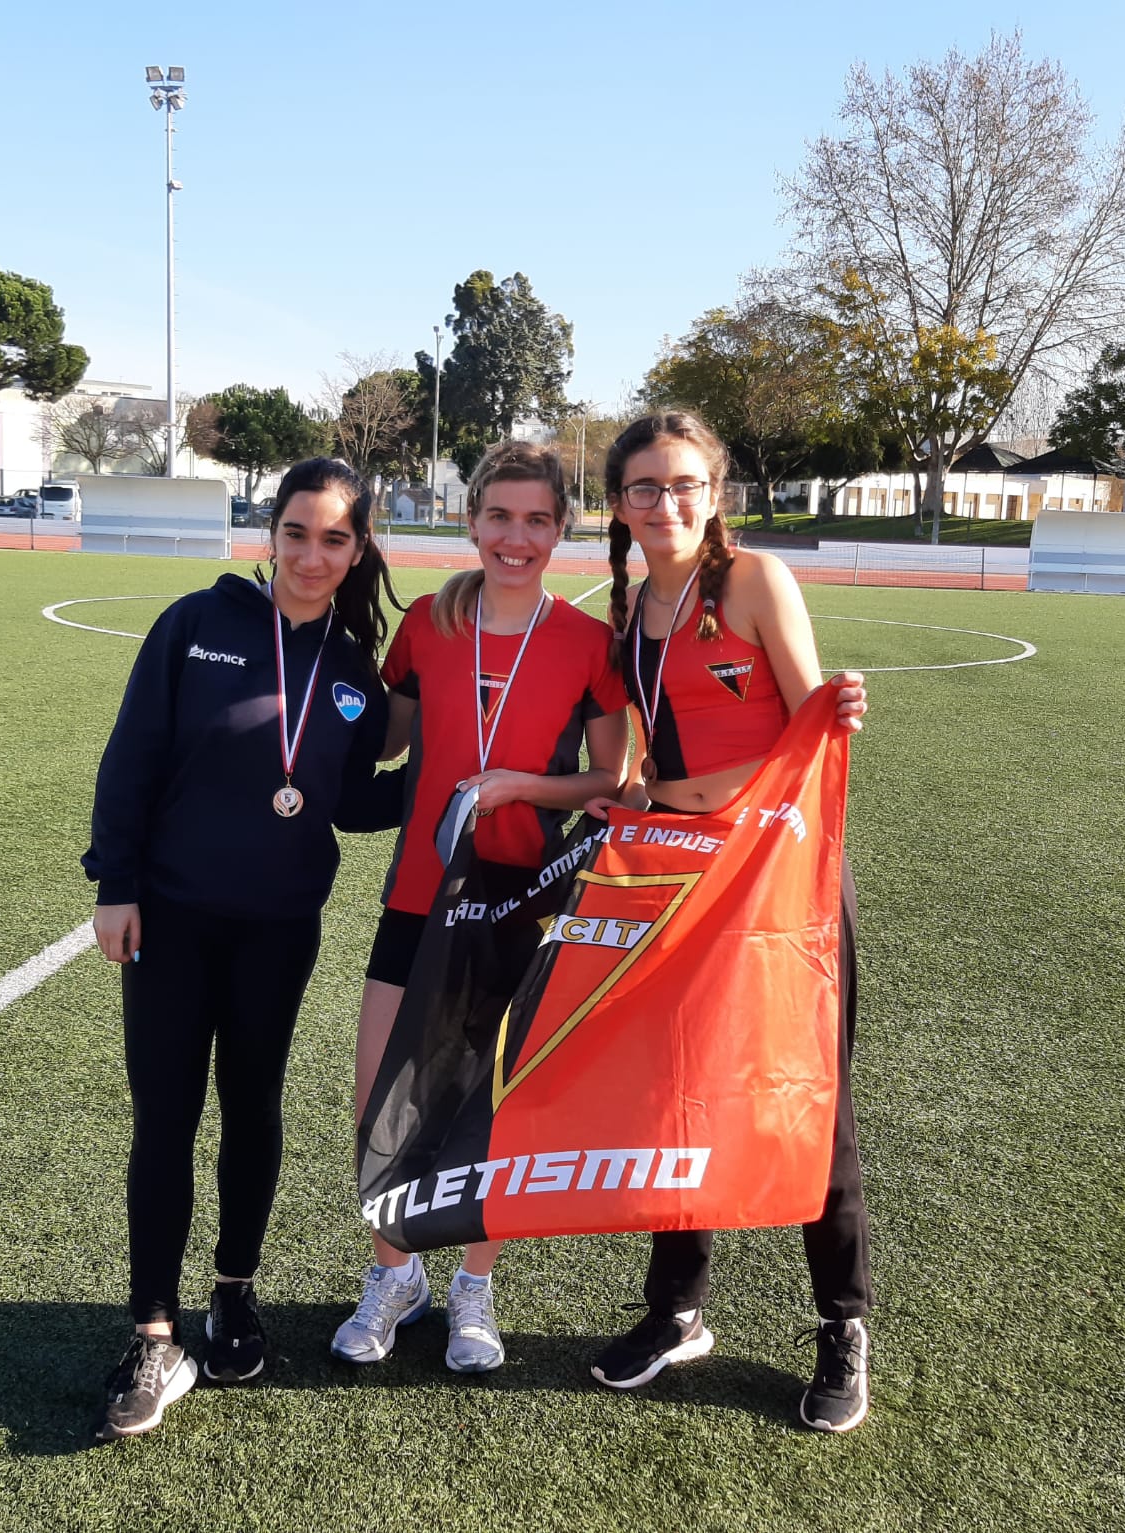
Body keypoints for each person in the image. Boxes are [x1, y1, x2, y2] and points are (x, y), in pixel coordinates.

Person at [82, 458, 403, 1440]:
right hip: (169, 918)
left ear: (357, 552)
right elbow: (132, 754)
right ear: (270, 532)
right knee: (166, 1118)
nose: (313, 555)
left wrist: (444, 777)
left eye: (335, 540)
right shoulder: (195, 625)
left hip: (277, 928)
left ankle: (233, 1294)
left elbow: (350, 804)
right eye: (298, 532)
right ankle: (151, 1329)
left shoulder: (352, 670)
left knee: (251, 1108)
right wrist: (116, 884)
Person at [585, 409, 874, 1434]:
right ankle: (675, 1310)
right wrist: (567, 796)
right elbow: (625, 773)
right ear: (615, 504)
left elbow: (810, 727)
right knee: (681, 1097)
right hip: (682, 879)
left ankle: (841, 1324)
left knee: (807, 1100)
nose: (664, 505)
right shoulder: (621, 616)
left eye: (684, 485)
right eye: (642, 488)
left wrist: (840, 706)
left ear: (715, 495)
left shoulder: (753, 582)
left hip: (778, 884)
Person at [332, 440, 631, 1373]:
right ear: (471, 522)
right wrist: (321, 665)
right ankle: (394, 1275)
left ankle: (473, 1285)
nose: (516, 536)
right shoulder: (426, 622)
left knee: (490, 1101)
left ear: (562, 529)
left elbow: (614, 774)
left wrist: (521, 788)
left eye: (538, 518)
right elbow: (380, 739)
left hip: (521, 902)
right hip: (423, 895)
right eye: (499, 516)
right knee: (381, 1085)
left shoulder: (588, 645)